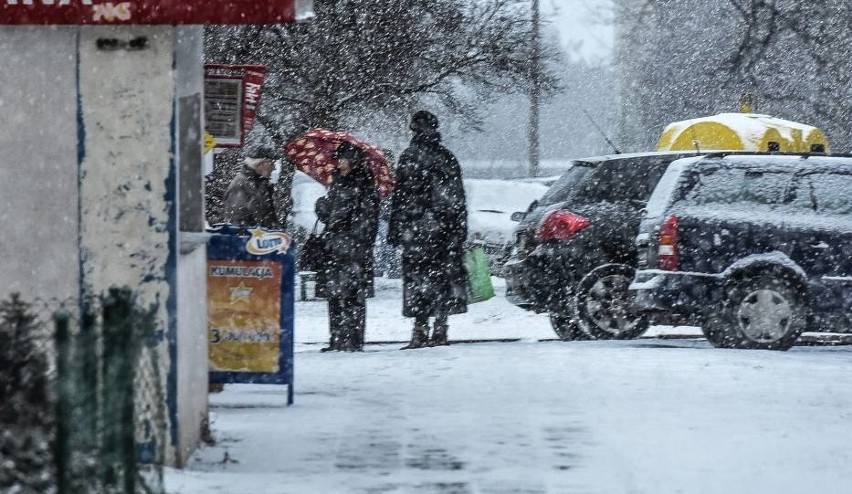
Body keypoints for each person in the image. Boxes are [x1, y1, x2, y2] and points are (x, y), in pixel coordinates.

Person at [388, 110, 468, 349]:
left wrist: (397, 227)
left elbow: (400, 196)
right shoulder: (447, 157)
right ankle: (440, 329)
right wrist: (458, 229)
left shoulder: (409, 157)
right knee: (442, 279)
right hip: (444, 231)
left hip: (416, 230)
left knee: (417, 280)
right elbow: (458, 198)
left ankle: (419, 330)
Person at [315, 141, 379, 352]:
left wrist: (352, 236)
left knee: (352, 296)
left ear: (353, 161)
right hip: (334, 247)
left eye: (342, 158)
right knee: (334, 295)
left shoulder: (364, 185)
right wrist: (323, 207)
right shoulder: (337, 182)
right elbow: (332, 216)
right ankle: (336, 338)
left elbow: (367, 219)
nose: (339, 162)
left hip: (352, 248)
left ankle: (352, 339)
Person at [223, 143, 282, 229]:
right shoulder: (240, 186)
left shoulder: (262, 184)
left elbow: (269, 220)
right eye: (271, 163)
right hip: (250, 241)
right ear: (260, 164)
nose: (274, 168)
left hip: (263, 240)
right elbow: (236, 225)